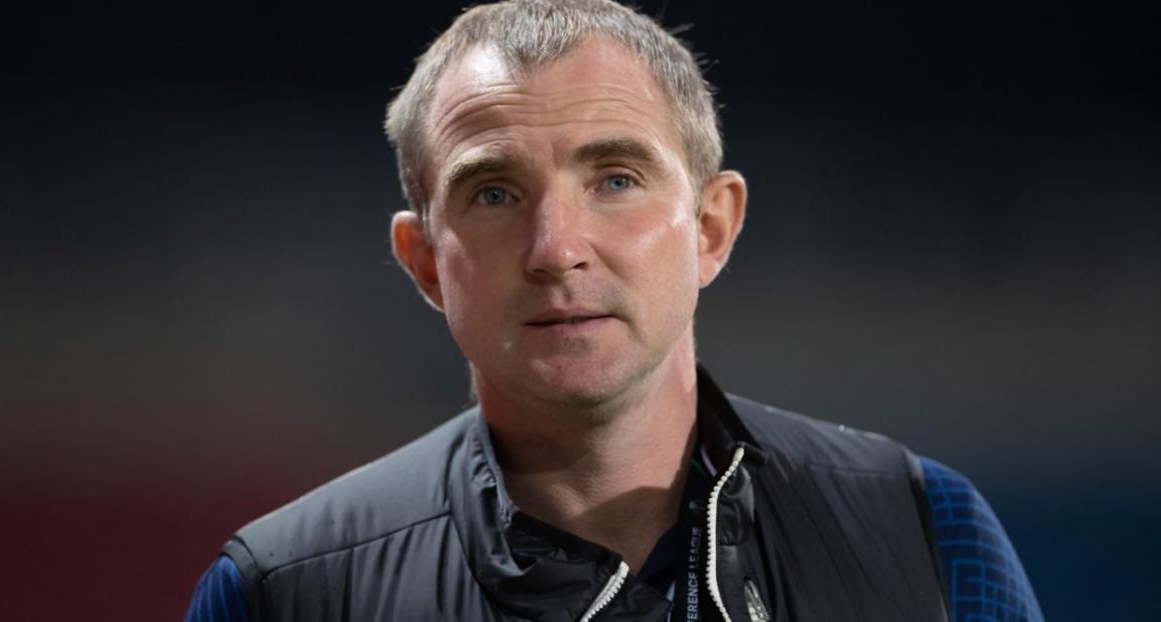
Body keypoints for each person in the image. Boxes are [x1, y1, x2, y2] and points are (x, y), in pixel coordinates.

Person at [185, 1, 1043, 620]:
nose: (556, 247)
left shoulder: (927, 532)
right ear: (426, 263)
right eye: (494, 193)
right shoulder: (284, 592)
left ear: (711, 228)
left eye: (616, 180)